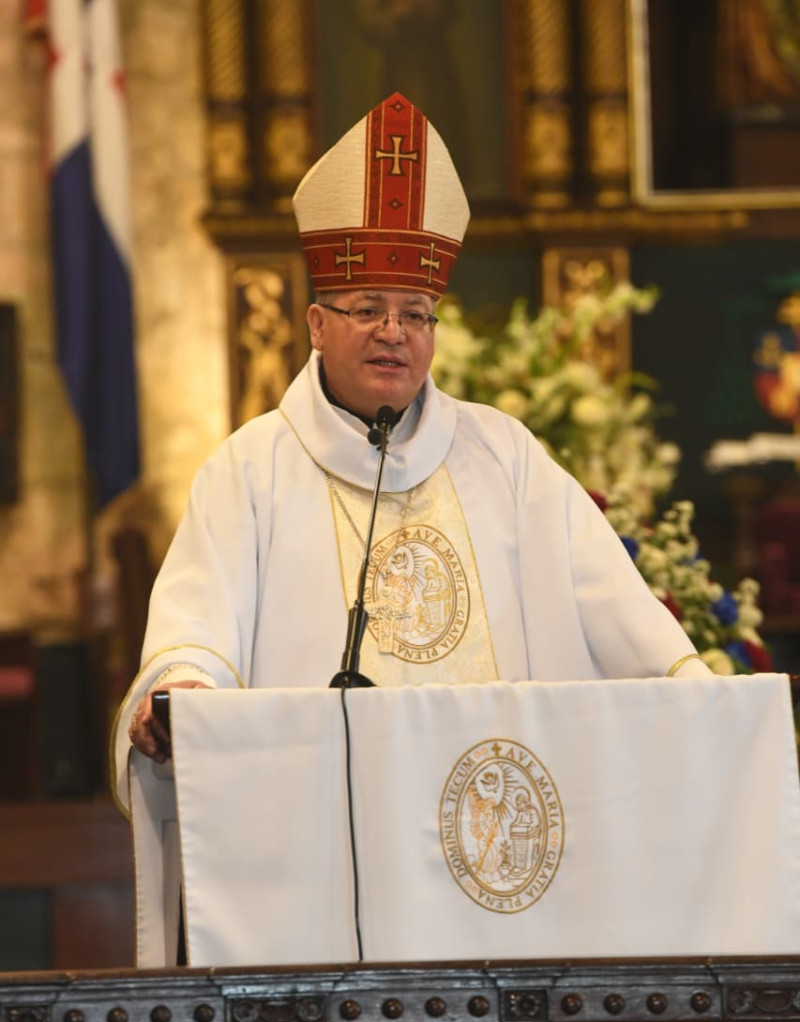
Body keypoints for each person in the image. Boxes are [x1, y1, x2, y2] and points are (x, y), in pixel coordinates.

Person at [124, 90, 708, 764]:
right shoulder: (251, 469)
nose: (394, 333)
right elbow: (196, 626)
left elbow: (608, 602)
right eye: (368, 308)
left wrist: (690, 685)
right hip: (322, 814)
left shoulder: (503, 454)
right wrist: (182, 684)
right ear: (317, 325)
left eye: (417, 312)